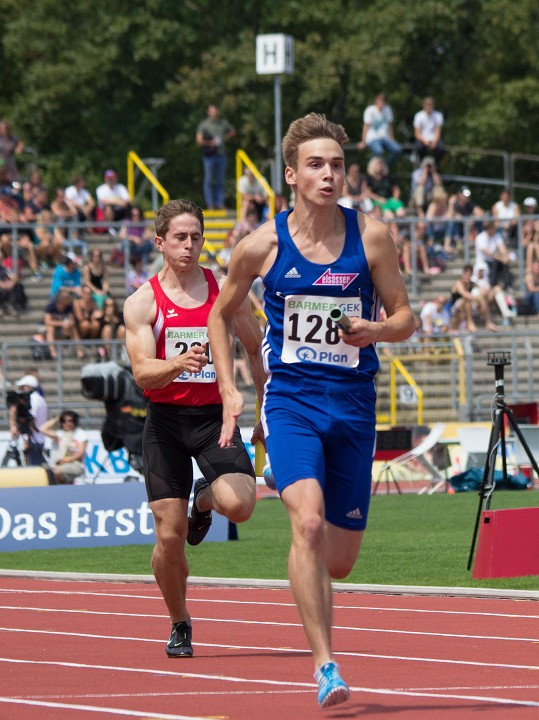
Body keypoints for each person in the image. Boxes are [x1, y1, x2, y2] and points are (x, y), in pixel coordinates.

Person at [206, 113, 414, 708]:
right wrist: (229, 387)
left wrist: (375, 328)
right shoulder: (262, 246)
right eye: (316, 165)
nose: (329, 174)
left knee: (341, 561)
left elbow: (406, 316)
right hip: (292, 402)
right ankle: (325, 665)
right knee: (309, 523)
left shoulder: (371, 237)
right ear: (292, 175)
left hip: (352, 406)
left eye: (337, 165)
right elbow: (221, 315)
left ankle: (302, 505)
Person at [122, 199, 261, 660]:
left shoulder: (225, 292)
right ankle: (179, 621)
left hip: (213, 418)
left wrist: (266, 405)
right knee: (169, 535)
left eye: (196, 237)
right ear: (160, 242)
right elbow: (142, 373)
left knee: (240, 505)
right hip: (164, 423)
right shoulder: (143, 302)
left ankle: (204, 496)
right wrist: (179, 363)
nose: (189, 245)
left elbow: (255, 348)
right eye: (180, 237)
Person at [196, 104, 236, 210]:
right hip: (209, 156)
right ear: (208, 112)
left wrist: (223, 138)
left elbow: (232, 132)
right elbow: (199, 140)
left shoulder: (222, 123)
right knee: (209, 180)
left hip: (221, 154)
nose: (214, 113)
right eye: (212, 111)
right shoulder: (204, 124)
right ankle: (210, 204)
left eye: (215, 111)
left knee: (220, 180)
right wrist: (210, 142)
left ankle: (220, 203)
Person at [6, 374, 48, 466]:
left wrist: (16, 426)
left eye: (22, 387)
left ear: (28, 387)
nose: (21, 390)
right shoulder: (40, 399)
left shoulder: (33, 399)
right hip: (37, 438)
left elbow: (29, 418)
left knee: (33, 469)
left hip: (33, 439)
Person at [40, 410, 86, 484]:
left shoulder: (80, 434)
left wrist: (66, 460)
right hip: (59, 464)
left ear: (75, 422)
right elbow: (43, 429)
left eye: (70, 421)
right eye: (64, 421)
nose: (67, 423)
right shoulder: (59, 434)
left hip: (75, 464)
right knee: (45, 471)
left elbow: (81, 452)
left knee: (55, 472)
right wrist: (57, 419)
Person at [358, 92, 401, 167]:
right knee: (379, 151)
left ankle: (385, 166)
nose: (381, 104)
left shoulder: (388, 110)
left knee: (397, 149)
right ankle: (373, 168)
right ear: (376, 102)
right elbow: (366, 126)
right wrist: (363, 141)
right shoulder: (370, 110)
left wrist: (392, 138)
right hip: (373, 138)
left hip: (385, 137)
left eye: (383, 102)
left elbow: (390, 126)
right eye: (380, 101)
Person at [412, 96, 446, 164]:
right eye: (427, 105)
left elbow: (438, 131)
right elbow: (417, 133)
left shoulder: (438, 116)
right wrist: (425, 141)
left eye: (430, 105)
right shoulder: (418, 116)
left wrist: (435, 141)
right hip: (422, 139)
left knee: (441, 149)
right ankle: (423, 164)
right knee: (419, 148)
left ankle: (434, 165)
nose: (429, 107)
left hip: (434, 138)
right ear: (424, 105)